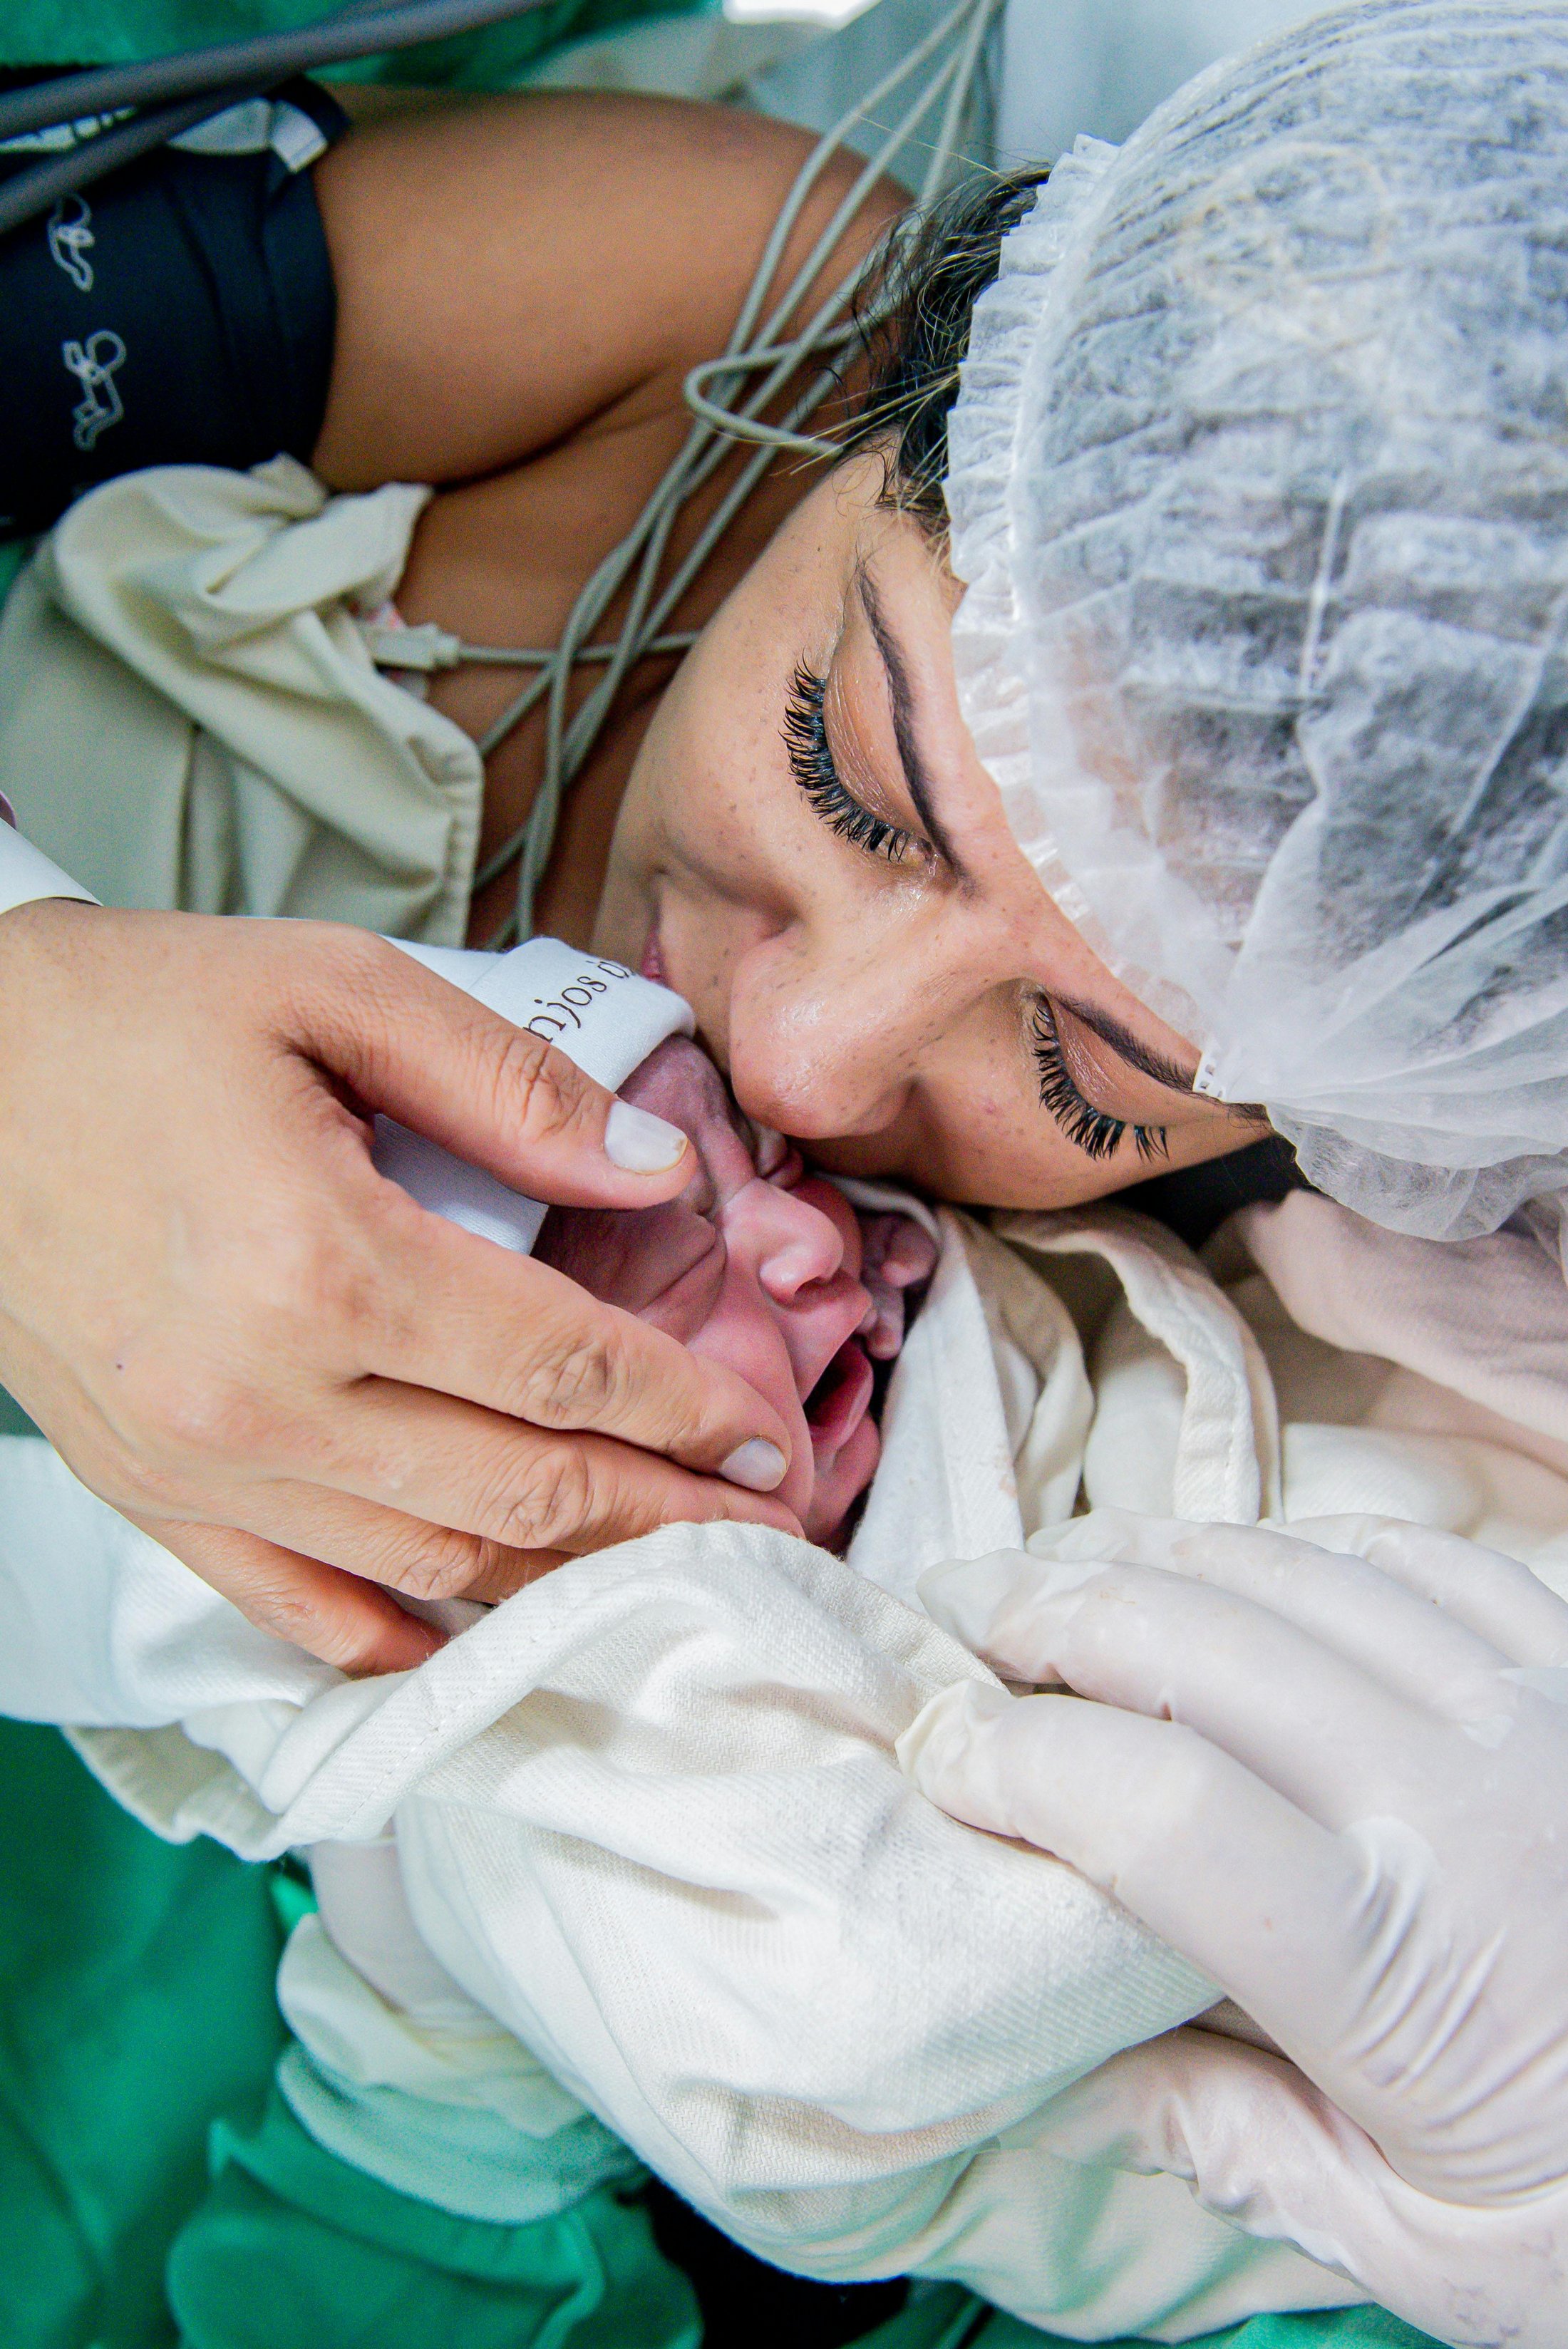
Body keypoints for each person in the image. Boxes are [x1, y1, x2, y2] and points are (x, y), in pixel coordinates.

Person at [6, 0, 1568, 2323]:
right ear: (886, 429)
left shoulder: (1287, 1299)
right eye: (850, 771)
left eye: (1102, 1066)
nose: (814, 1062)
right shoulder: (729, 314)